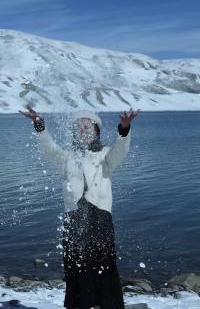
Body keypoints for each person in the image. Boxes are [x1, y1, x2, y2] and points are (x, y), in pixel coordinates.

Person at [20, 107, 139, 309]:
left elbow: (122, 149)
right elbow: (48, 148)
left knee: (104, 266)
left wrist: (125, 128)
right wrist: (39, 124)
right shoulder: (67, 157)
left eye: (87, 126)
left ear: (96, 131)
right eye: (78, 127)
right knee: (76, 267)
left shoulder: (106, 155)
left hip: (100, 217)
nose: (82, 130)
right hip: (74, 218)